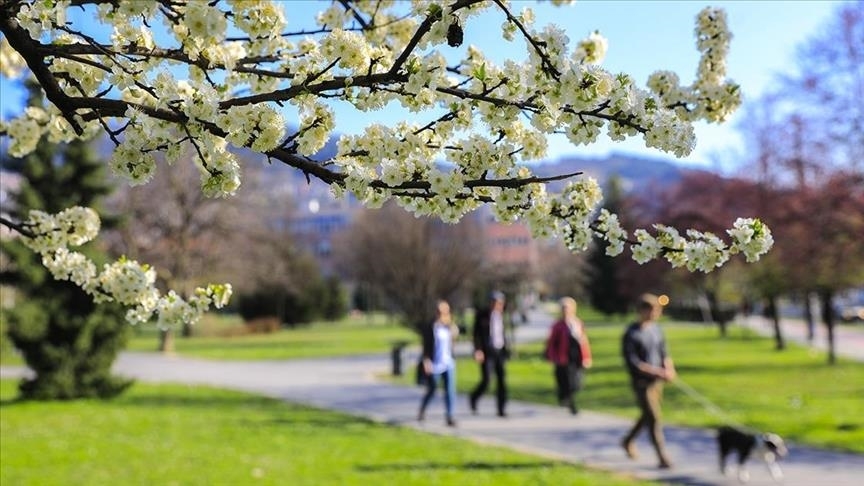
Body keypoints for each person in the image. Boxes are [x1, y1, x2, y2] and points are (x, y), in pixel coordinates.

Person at [621, 293, 676, 469]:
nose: (655, 314)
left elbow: (664, 352)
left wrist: (668, 369)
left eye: (657, 311)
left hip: (656, 383)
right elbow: (634, 363)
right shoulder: (631, 333)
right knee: (653, 417)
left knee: (647, 416)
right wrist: (657, 372)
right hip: (642, 383)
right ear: (642, 311)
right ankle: (662, 457)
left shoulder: (656, 330)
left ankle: (628, 440)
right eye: (652, 310)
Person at [545, 297, 592, 415]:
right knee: (564, 382)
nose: (566, 311)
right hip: (562, 357)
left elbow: (584, 341)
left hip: (576, 357)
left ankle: (567, 400)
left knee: (576, 382)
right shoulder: (558, 325)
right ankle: (570, 404)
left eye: (568, 308)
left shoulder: (578, 323)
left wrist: (587, 358)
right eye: (564, 308)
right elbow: (551, 343)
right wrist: (552, 356)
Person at [418, 300, 459, 427]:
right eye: (440, 311)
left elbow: (455, 338)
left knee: (450, 390)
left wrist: (451, 327)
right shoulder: (431, 327)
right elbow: (425, 346)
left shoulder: (449, 326)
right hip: (434, 363)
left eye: (445, 311)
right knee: (432, 389)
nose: (442, 314)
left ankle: (450, 416)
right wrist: (426, 361)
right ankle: (422, 409)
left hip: (448, 363)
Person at [469, 291, 509, 417]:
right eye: (495, 303)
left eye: (500, 303)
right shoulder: (482, 316)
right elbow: (476, 335)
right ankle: (474, 397)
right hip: (487, 352)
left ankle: (501, 409)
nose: (498, 306)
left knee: (502, 380)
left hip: (499, 351)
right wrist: (477, 350)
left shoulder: (502, 316)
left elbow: (503, 334)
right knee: (486, 380)